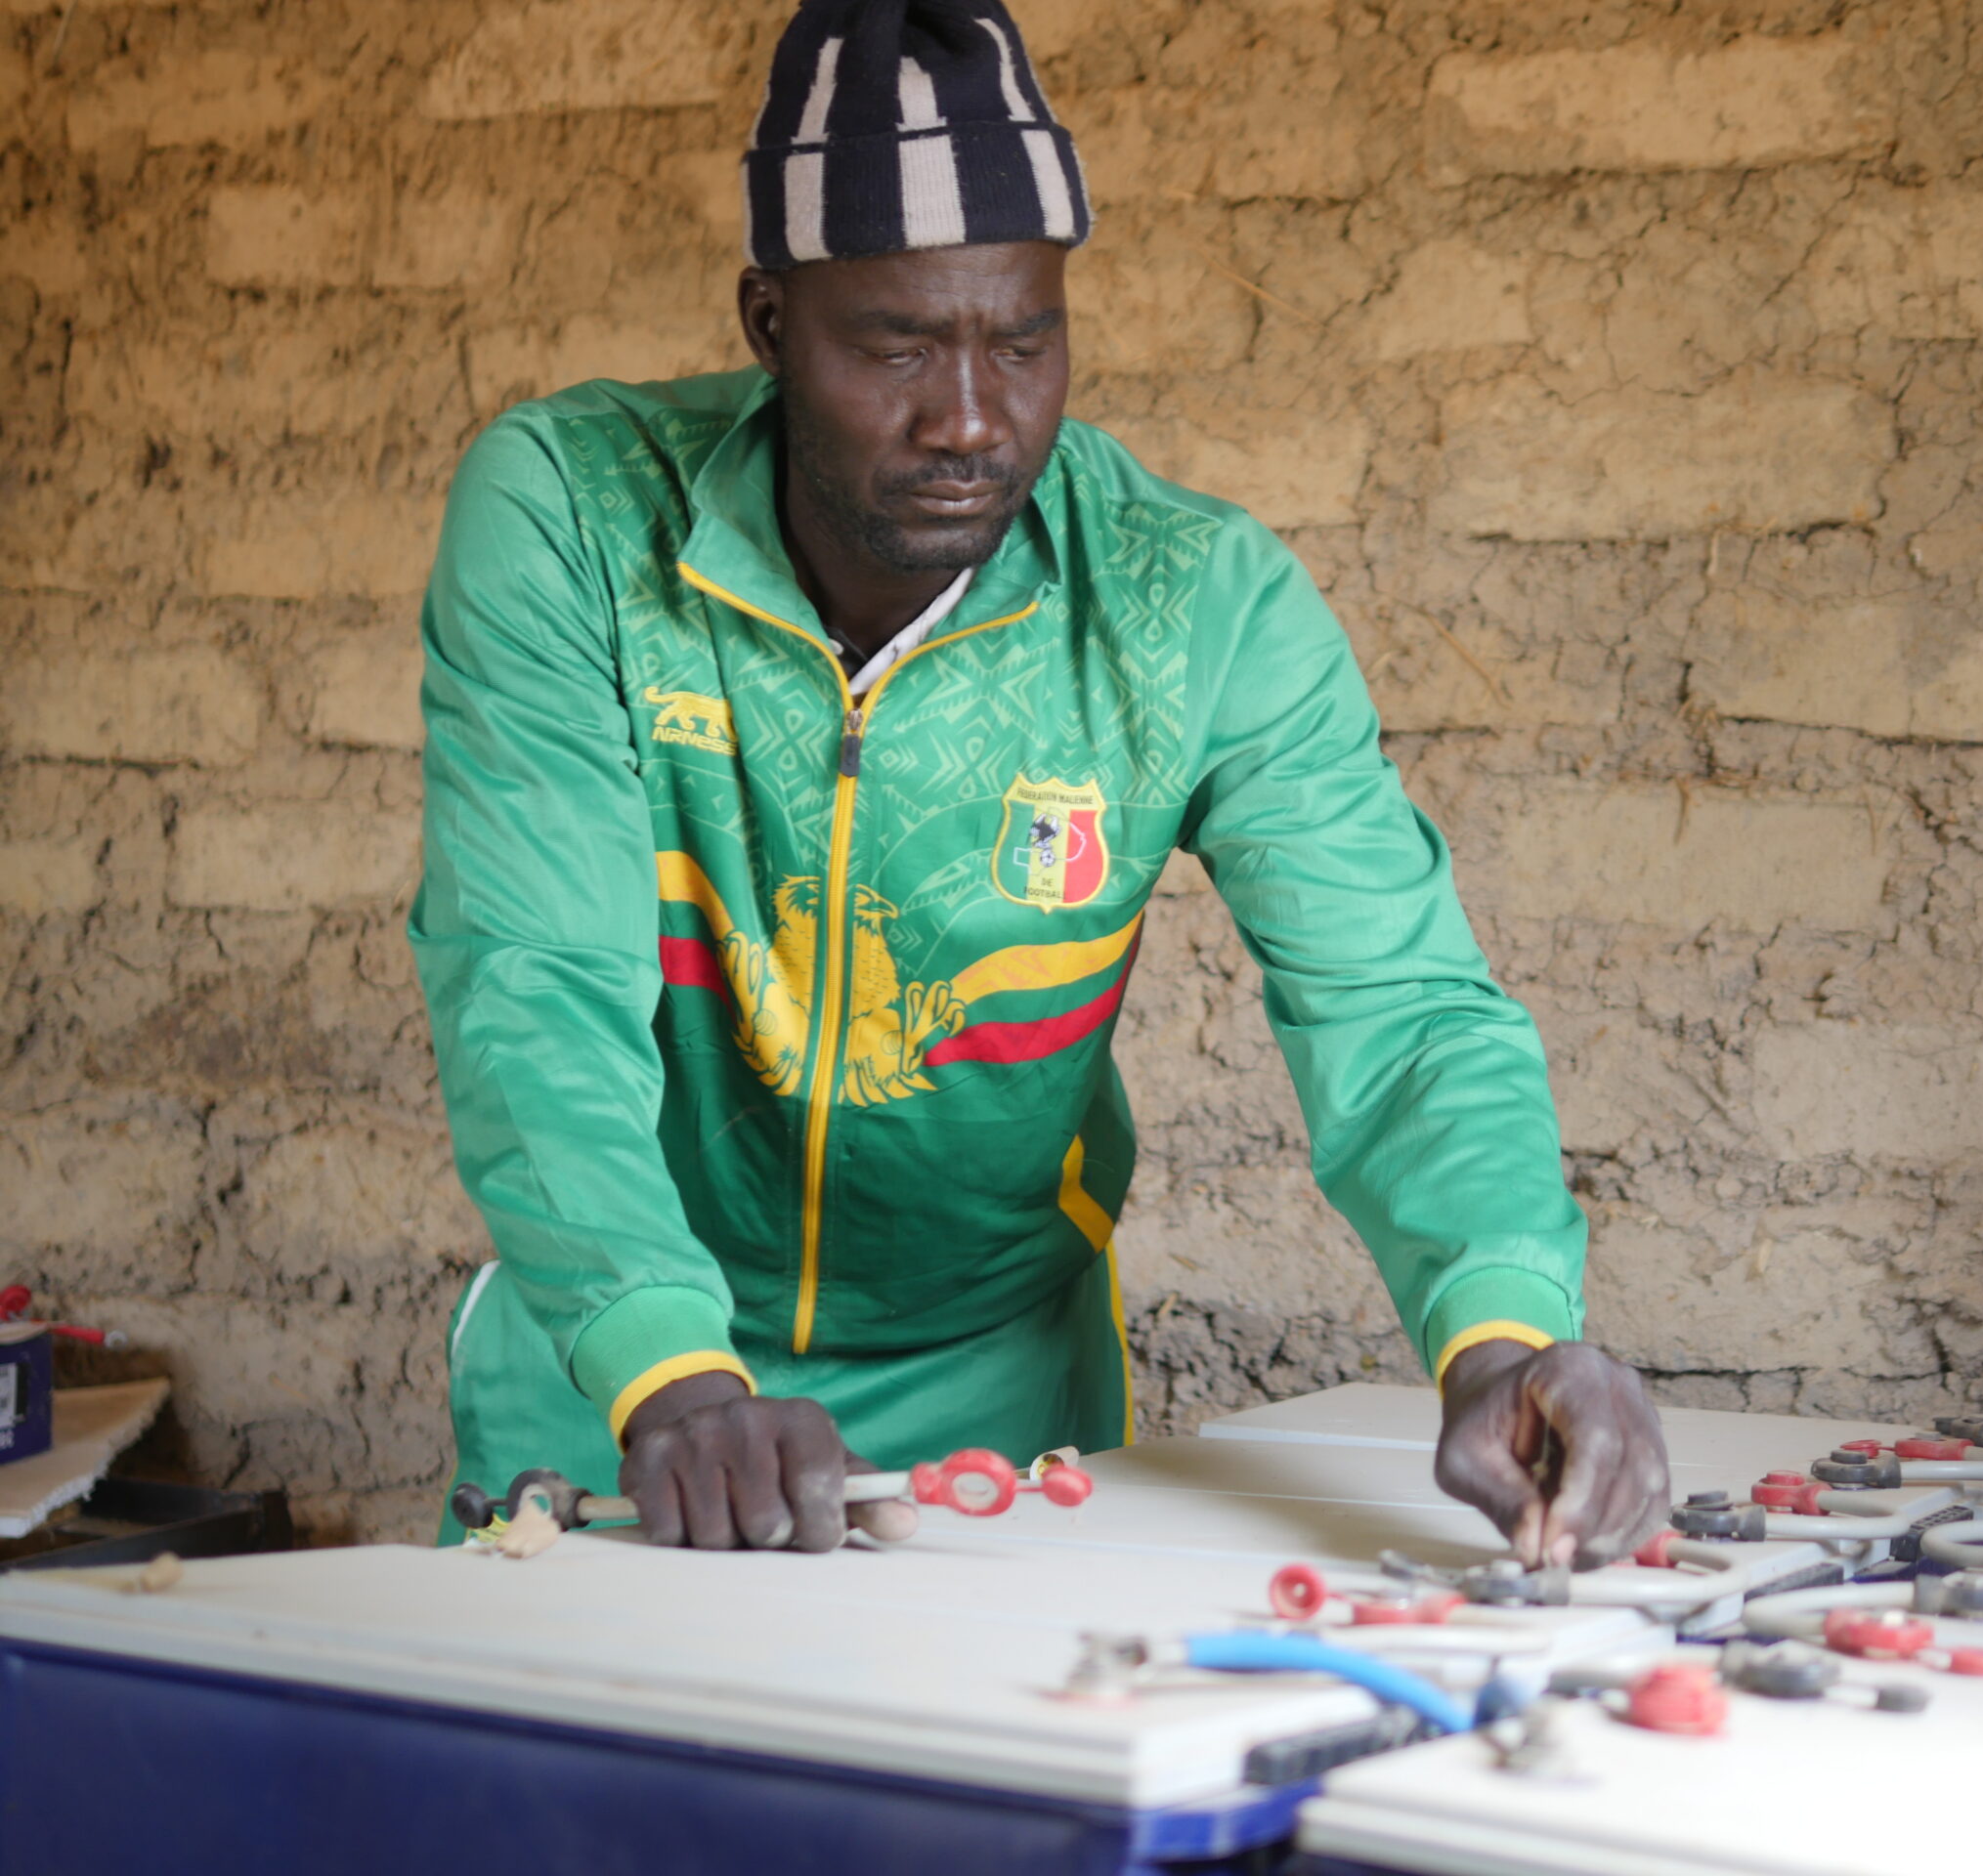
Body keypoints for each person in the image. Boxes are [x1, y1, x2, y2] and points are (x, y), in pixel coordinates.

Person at [414, 0, 1671, 1564]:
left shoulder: (1195, 601)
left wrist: (1503, 1333)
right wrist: (669, 1374)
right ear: (769, 324)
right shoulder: (575, 521)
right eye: (896, 347)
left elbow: (1400, 1008)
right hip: (618, 1377)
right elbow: (530, 982)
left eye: (1021, 344)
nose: (968, 419)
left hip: (994, 1400)